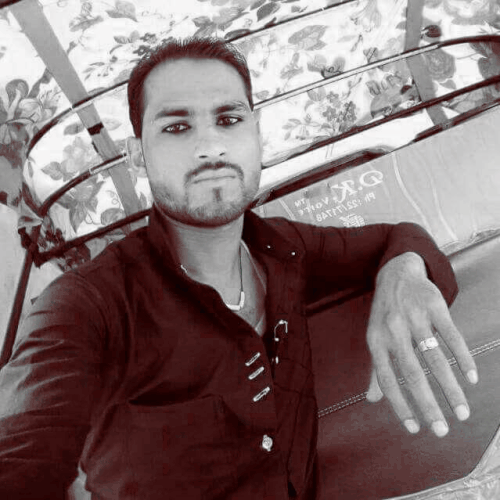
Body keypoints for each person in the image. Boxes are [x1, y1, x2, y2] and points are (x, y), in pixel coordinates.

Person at [0, 37, 477, 499]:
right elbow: (23, 456)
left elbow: (397, 236)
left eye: (229, 120)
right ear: (137, 155)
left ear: (256, 134)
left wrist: (404, 273)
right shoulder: (86, 304)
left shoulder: (285, 249)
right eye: (176, 127)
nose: (211, 147)